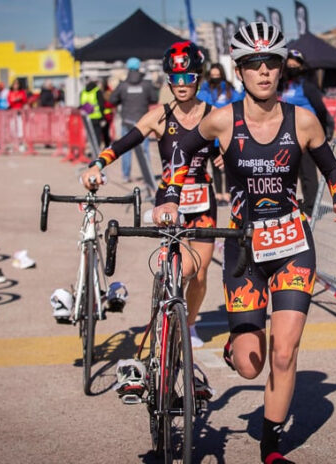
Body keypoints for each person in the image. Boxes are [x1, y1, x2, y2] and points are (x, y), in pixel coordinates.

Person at [151, 22, 336, 464]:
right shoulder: (223, 120)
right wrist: (168, 197)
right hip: (244, 251)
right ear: (239, 70)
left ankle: (271, 446)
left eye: (271, 63)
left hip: (292, 246)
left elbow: (332, 168)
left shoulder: (302, 120)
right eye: (252, 64)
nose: (263, 71)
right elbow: (182, 153)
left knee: (285, 351)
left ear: (282, 69)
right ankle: (234, 343)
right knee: (251, 364)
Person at [82, 41, 217, 352]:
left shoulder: (213, 115)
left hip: (202, 197)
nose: (181, 85)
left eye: (188, 78)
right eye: (175, 79)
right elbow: (125, 141)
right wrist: (98, 163)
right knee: (182, 268)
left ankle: (190, 322)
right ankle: (166, 305)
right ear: (168, 80)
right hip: (169, 198)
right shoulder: (160, 116)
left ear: (198, 78)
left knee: (200, 272)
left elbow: (234, 148)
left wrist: (225, 158)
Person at [280, 49, 335, 216]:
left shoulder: (307, 85)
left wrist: (325, 129)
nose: (292, 66)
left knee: (308, 172)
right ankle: (294, 204)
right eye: (289, 63)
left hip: (306, 134)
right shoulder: (282, 85)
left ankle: (312, 208)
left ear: (302, 65)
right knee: (288, 172)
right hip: (287, 135)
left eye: (295, 63)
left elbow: (320, 108)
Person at [197, 63, 244, 206]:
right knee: (215, 167)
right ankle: (218, 195)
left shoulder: (230, 90)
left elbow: (239, 102)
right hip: (212, 137)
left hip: (228, 135)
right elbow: (199, 106)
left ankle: (229, 194)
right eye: (213, 75)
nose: (215, 78)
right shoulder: (205, 91)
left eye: (218, 75)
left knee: (229, 166)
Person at [109, 57, 159, 183]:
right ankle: (147, 176)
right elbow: (154, 99)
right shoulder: (146, 84)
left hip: (127, 121)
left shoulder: (123, 84)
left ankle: (126, 175)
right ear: (139, 67)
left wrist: (123, 99)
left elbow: (112, 100)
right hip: (143, 121)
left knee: (125, 149)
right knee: (145, 150)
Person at [79, 79, 107, 150]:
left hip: (86, 117)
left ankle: (92, 150)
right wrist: (103, 118)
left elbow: (81, 105)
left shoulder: (83, 92)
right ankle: (96, 150)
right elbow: (101, 105)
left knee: (90, 135)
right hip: (96, 117)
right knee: (97, 135)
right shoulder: (97, 91)